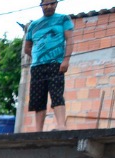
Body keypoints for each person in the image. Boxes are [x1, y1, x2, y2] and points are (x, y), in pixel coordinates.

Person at [24, 0, 74, 132]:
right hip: (37, 66)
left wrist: (66, 60)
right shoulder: (33, 25)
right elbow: (27, 47)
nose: (49, 6)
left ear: (56, 4)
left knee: (57, 93)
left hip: (56, 63)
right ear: (41, 5)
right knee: (38, 98)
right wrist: (37, 55)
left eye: (52, 3)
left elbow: (69, 39)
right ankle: (38, 130)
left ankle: (61, 125)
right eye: (46, 3)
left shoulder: (63, 19)